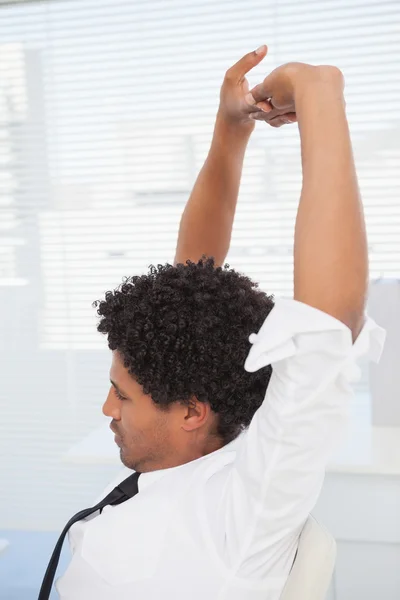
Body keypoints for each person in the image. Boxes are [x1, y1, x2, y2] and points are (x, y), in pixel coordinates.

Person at [42, 46, 384, 600]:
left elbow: (326, 324)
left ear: (193, 413)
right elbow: (189, 284)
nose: (107, 409)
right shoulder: (177, 448)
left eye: (121, 396)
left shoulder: (244, 508)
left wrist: (318, 92)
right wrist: (232, 130)